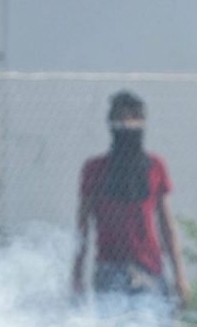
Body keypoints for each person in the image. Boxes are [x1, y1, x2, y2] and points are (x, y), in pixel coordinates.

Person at [73, 91, 189, 315]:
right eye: (120, 118)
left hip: (150, 266)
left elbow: (166, 225)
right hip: (109, 267)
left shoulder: (155, 166)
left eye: (133, 118)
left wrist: (179, 276)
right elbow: (82, 226)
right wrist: (77, 275)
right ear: (110, 122)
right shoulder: (94, 169)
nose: (126, 124)